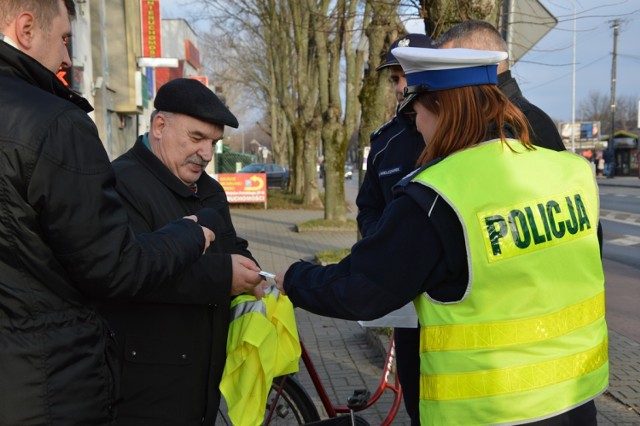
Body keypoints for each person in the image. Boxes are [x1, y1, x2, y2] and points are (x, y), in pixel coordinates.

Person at [276, 47, 607, 425]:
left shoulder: (434, 195)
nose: (416, 127)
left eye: (417, 113)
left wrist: (294, 279)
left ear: (443, 110)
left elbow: (362, 289)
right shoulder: (572, 172)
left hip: (489, 410)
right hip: (574, 397)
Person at [0, 1, 226, 424]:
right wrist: (193, 235)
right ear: (26, 28)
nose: (68, 58)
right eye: (65, 39)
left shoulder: (209, 190)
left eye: (212, 142)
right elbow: (113, 268)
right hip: (48, 387)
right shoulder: (55, 125)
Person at [99, 78, 264, 425]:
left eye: (214, 142)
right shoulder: (119, 182)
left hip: (202, 381)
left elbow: (233, 249)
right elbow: (131, 272)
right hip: (145, 387)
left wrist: (254, 270)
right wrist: (224, 276)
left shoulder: (210, 190)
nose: (207, 153)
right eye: (196, 138)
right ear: (160, 125)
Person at [355, 33, 432, 424]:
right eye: (394, 78)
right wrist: (381, 241)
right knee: (418, 402)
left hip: (454, 304)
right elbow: (367, 206)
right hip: (405, 305)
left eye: (408, 74)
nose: (401, 85)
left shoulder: (459, 134)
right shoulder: (385, 143)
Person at [436, 20, 566, 152]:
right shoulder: (512, 118)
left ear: (483, 59)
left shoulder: (519, 123)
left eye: (450, 64)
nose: (443, 77)